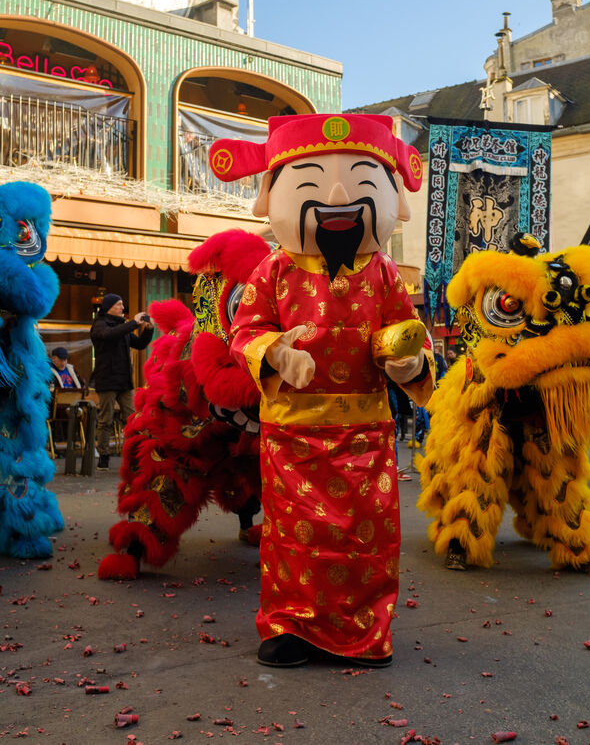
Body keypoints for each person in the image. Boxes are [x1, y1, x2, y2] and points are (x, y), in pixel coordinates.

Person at [208, 112, 435, 669]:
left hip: (366, 433)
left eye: (361, 183)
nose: (336, 198)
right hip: (293, 436)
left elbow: (410, 333)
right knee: (294, 537)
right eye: (310, 183)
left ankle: (365, 629)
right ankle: (291, 624)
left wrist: (410, 363)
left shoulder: (385, 273)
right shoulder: (273, 270)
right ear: (270, 197)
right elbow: (245, 331)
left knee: (366, 540)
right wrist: (276, 353)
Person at [90, 293, 154, 469]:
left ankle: (134, 456)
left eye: (122, 304)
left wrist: (148, 329)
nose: (122, 307)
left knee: (132, 419)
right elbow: (109, 335)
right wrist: (133, 323)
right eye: (119, 304)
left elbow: (140, 344)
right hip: (106, 380)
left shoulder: (122, 327)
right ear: (109, 307)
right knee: (106, 419)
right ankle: (104, 456)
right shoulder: (99, 324)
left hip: (124, 380)